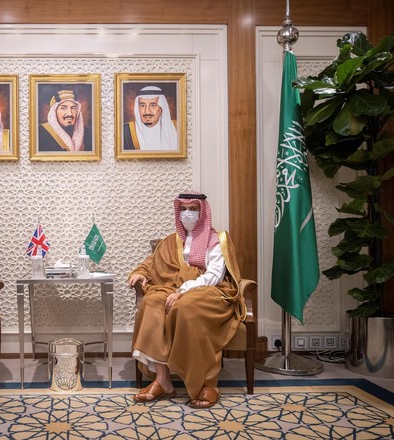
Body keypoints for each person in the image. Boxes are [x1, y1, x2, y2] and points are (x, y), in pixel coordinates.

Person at [129, 191, 245, 409]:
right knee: (152, 302)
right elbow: (152, 263)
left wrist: (182, 290)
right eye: (183, 209)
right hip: (173, 288)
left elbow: (214, 276)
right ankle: (162, 380)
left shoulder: (217, 240)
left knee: (184, 308)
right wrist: (140, 273)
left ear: (203, 212)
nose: (187, 214)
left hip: (209, 291)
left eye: (193, 209)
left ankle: (206, 383)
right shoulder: (171, 241)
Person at [123, 85, 178, 151]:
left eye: (153, 105)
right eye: (142, 105)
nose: (147, 111)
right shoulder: (125, 132)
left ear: (161, 108)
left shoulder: (177, 128)